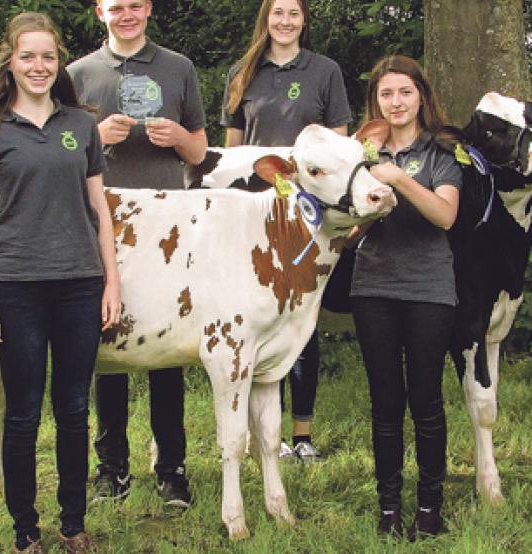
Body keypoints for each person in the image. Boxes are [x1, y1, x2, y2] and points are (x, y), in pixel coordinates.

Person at [0, 11, 121, 553]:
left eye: (48, 56)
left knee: (74, 408)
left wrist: (111, 283)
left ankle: (73, 524)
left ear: (60, 62)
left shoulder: (81, 126)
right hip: (17, 287)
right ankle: (25, 530)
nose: (39, 66)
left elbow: (99, 207)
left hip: (79, 285)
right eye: (27, 56)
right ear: (10, 61)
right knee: (24, 411)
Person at [67, 0, 208, 507]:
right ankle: (112, 468)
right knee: (106, 340)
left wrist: (179, 141)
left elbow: (201, 150)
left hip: (169, 230)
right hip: (101, 225)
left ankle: (171, 467)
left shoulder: (178, 68)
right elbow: (60, 154)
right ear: (99, 11)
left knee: (168, 348)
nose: (127, 15)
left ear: (147, 8)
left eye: (135, 5)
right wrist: (94, 137)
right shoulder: (77, 74)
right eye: (116, 6)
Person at [221, 0, 352, 461]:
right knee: (252, 323)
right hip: (253, 217)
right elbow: (231, 154)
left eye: (294, 13)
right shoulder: (242, 72)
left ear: (304, 21)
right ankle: (262, 436)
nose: (285, 21)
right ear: (266, 18)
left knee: (302, 324)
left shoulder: (325, 71)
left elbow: (340, 148)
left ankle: (301, 436)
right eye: (278, 12)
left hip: (309, 217)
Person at [349, 55, 463, 539]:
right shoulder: (358, 152)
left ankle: (430, 507)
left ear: (421, 96)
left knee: (426, 397)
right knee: (385, 401)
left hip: (428, 289)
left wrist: (398, 178)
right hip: (373, 285)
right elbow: (349, 229)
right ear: (376, 100)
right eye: (386, 94)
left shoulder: (442, 150)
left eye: (405, 92)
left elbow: (445, 216)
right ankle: (389, 507)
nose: (396, 103)